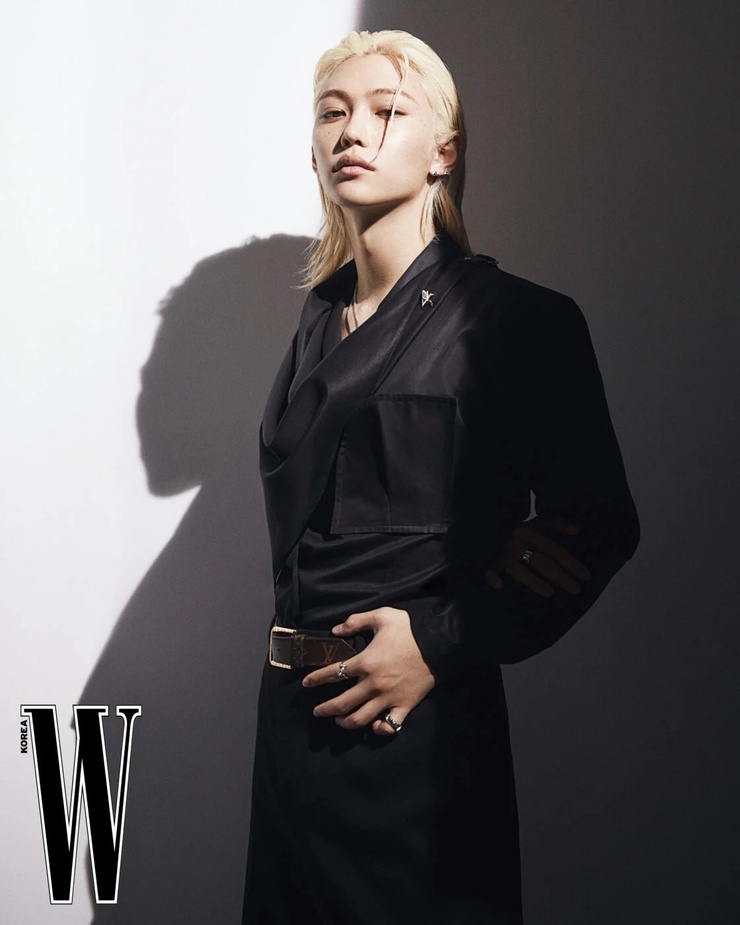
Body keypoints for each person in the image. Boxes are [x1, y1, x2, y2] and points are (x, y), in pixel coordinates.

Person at [241, 29, 639, 925]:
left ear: (444, 153)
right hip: (288, 742)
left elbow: (599, 521)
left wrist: (440, 638)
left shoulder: (518, 320)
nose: (353, 131)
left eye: (387, 111)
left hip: (414, 747)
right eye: (332, 114)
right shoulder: (315, 326)